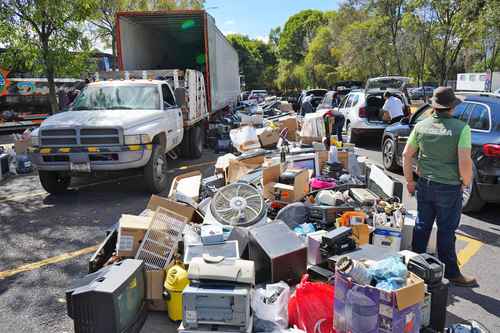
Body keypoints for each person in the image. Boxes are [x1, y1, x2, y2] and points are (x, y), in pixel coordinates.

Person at [402, 87, 476, 287]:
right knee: (446, 231)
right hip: (449, 187)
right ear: (451, 107)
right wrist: (466, 182)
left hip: (425, 185)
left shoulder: (421, 126)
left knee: (422, 226)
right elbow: (465, 161)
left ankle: (413, 267)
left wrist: (410, 181)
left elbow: (407, 155)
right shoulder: (462, 128)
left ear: (434, 106)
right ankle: (451, 273)